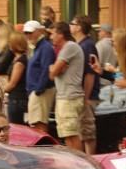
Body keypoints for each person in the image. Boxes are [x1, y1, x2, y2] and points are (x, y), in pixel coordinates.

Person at [48, 21, 85, 152]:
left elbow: (53, 73)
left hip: (69, 97)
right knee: (66, 134)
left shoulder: (70, 47)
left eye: (52, 34)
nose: (51, 37)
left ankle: (80, 164)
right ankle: (75, 162)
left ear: (60, 34)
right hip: (65, 96)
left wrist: (53, 68)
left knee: (71, 134)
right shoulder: (67, 48)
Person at [70, 15, 100, 154]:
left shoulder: (87, 46)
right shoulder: (79, 45)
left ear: (79, 27)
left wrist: (86, 97)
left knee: (87, 130)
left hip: (86, 94)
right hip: (81, 93)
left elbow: (90, 73)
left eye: (72, 23)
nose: (70, 26)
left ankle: (91, 157)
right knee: (81, 130)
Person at [23, 20, 56, 133]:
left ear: (39, 31)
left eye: (30, 32)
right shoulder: (37, 47)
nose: (28, 35)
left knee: (39, 123)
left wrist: (38, 89)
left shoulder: (45, 47)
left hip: (41, 91)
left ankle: (42, 148)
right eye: (26, 33)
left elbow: (46, 69)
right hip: (36, 90)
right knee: (36, 122)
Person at [4, 31, 29, 125]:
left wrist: (1, 90)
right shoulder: (17, 59)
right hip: (15, 98)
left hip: (17, 99)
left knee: (15, 125)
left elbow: (13, 83)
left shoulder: (20, 62)